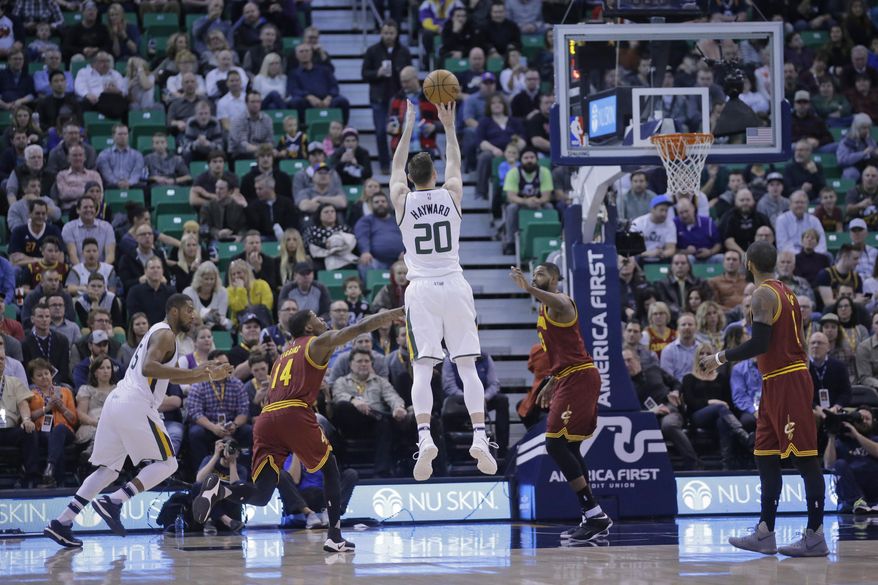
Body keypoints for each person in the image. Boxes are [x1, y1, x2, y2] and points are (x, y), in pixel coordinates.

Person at [191, 307, 404, 553]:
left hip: (266, 417)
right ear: (308, 328)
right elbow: (358, 328)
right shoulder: (316, 342)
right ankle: (334, 536)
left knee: (261, 495)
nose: (322, 318)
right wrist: (392, 314)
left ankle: (220, 489)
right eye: (317, 317)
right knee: (331, 468)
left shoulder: (284, 353)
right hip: (293, 412)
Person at [44, 294, 235, 548]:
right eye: (189, 310)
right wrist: (195, 372)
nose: (193, 315)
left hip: (118, 402)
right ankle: (114, 501)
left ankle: (62, 522)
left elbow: (173, 378)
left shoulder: (165, 338)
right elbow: (149, 367)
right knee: (168, 463)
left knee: (108, 470)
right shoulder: (165, 333)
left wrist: (206, 373)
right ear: (174, 311)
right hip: (135, 403)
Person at [700, 240, 829, 557]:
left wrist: (720, 357)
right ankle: (764, 531)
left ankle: (815, 534)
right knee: (765, 453)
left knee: (805, 457)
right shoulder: (788, 292)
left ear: (748, 263)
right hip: (774, 381)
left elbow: (759, 343)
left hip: (788, 379)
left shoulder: (762, 294)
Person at [388, 100, 494, 481]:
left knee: (422, 368)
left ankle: (424, 436)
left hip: (422, 290)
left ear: (411, 178)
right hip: (454, 282)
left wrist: (409, 124)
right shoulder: (451, 193)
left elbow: (395, 168)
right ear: (433, 173)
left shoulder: (402, 199)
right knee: (466, 366)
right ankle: (480, 436)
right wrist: (448, 127)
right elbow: (456, 163)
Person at [509, 262, 611, 542]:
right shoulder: (545, 309)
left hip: (579, 377)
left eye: (540, 273)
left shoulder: (562, 302)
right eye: (533, 274)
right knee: (569, 445)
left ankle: (594, 514)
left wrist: (529, 288)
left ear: (554, 278)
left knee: (554, 443)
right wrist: (551, 381)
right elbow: (562, 351)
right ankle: (592, 515)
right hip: (567, 377)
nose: (535, 277)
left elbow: (557, 300)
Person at [823, 407, 878, 513]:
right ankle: (857, 502)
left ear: (873, 423)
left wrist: (856, 435)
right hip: (851, 494)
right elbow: (828, 465)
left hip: (873, 490)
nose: (864, 421)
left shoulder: (874, 439)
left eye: (867, 419)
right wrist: (832, 437)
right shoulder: (841, 442)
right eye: (860, 418)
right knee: (839, 464)